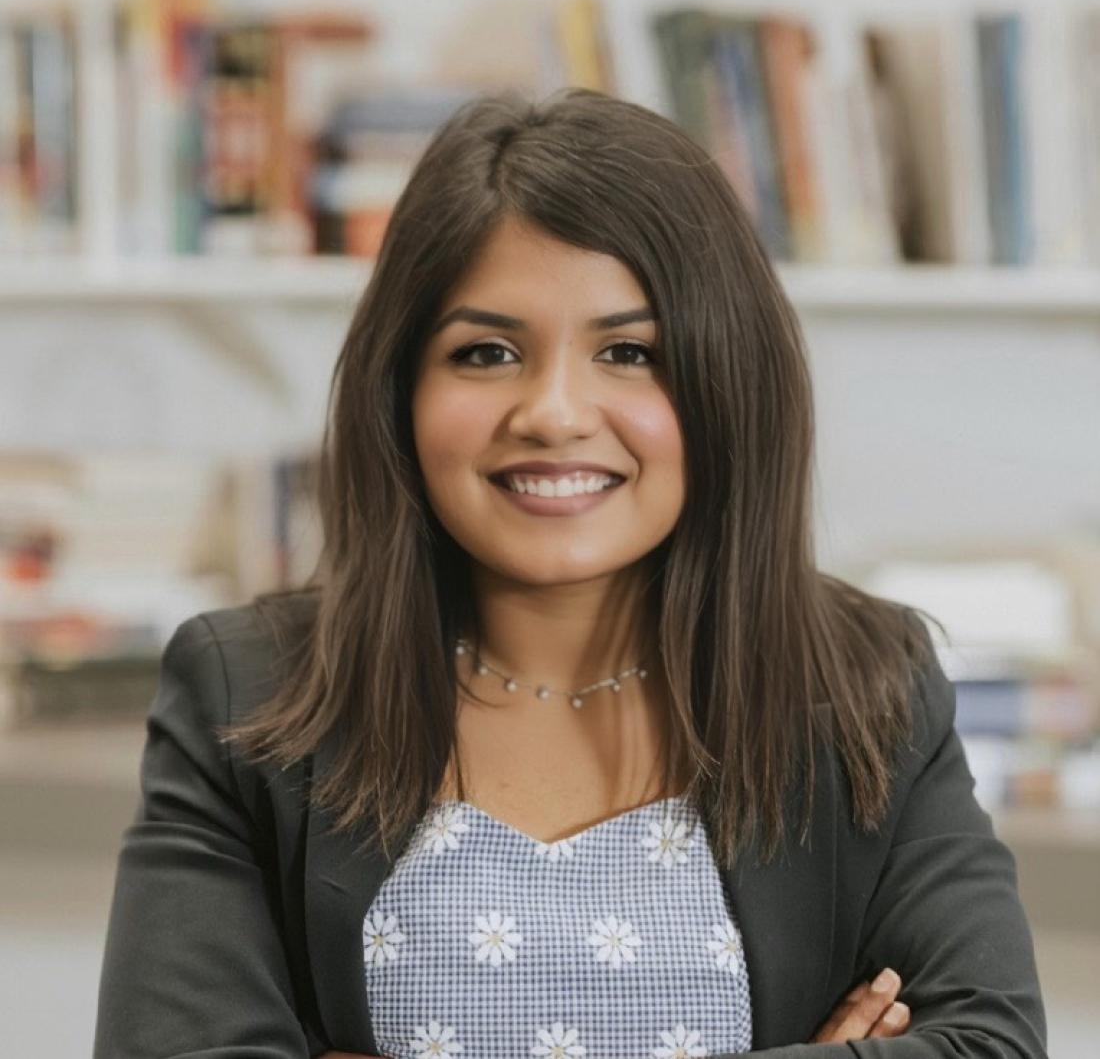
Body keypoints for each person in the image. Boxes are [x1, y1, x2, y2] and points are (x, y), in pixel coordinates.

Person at [93, 88, 1047, 1059]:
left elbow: (990, 1043)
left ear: (727, 384)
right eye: (487, 351)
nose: (552, 411)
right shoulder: (245, 690)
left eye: (628, 351)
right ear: (401, 387)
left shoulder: (865, 684)